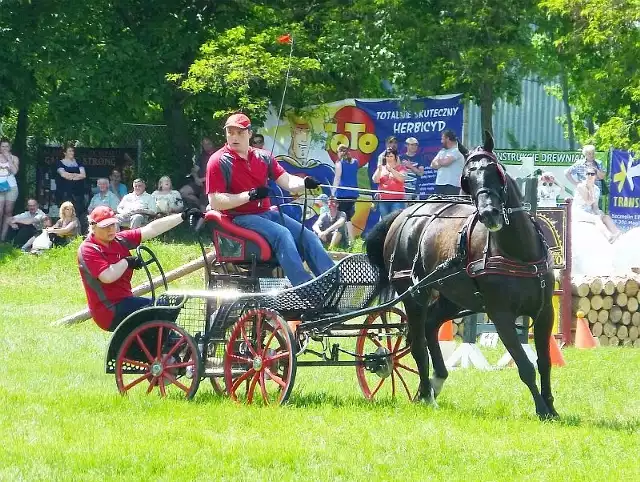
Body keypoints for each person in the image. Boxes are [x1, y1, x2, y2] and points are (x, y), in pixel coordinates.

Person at [206, 112, 334, 286]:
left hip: (266, 213)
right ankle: (304, 287)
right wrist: (249, 195)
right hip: (238, 218)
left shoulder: (263, 156)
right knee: (282, 234)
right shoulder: (218, 161)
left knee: (309, 236)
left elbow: (287, 181)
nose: (234, 137)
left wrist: (305, 183)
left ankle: (333, 283)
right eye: (230, 132)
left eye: (240, 132)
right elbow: (215, 201)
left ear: (250, 134)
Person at [77, 205, 202, 331]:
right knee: (161, 307)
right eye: (105, 226)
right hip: (109, 310)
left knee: (167, 305)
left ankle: (162, 341)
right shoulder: (88, 249)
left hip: (125, 301)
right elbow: (107, 276)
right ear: (93, 227)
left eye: (112, 225)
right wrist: (127, 262)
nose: (111, 229)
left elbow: (151, 229)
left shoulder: (119, 239)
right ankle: (162, 341)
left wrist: (182, 216)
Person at [572, 167, 621, 243]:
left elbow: (595, 206)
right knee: (596, 218)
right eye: (588, 174)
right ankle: (608, 236)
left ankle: (617, 234)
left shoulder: (597, 189)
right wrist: (590, 188)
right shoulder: (580, 186)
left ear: (596, 176)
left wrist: (600, 213)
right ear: (585, 175)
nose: (590, 176)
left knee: (606, 217)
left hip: (589, 211)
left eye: (592, 174)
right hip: (579, 211)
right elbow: (588, 202)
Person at [331, 143, 359, 243]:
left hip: (342, 194)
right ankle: (351, 240)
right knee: (348, 218)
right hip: (353, 194)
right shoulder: (355, 162)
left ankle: (334, 241)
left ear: (339, 152)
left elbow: (337, 179)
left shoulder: (339, 163)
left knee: (342, 217)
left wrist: (332, 193)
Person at [373, 148, 407, 218]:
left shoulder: (401, 168)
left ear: (395, 157)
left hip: (397, 201)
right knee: (385, 221)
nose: (389, 158)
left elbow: (402, 178)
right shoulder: (382, 168)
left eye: (391, 156)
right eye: (387, 156)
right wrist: (379, 171)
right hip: (384, 201)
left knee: (395, 220)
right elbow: (375, 180)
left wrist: (391, 170)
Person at [56, 145, 87, 220]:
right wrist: (76, 175)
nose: (72, 153)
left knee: (78, 210)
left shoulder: (78, 162)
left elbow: (83, 175)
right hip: (65, 192)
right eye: (70, 151)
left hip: (78, 192)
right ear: (64, 153)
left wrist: (71, 176)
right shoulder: (59, 163)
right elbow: (63, 175)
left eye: (73, 151)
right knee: (66, 210)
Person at [431, 129, 466, 195]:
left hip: (452, 184)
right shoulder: (442, 151)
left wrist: (438, 161)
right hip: (440, 183)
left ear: (447, 139)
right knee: (438, 205)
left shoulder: (457, 150)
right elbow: (432, 165)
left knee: (450, 205)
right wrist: (441, 162)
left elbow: (445, 163)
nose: (441, 141)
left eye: (442, 139)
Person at [0, 138, 19, 242]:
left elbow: (15, 171)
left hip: (11, 187)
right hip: (0, 186)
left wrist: (9, 159)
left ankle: (3, 238)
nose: (5, 148)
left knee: (8, 212)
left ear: (10, 147)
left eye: (7, 146)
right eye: (3, 146)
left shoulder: (14, 158)